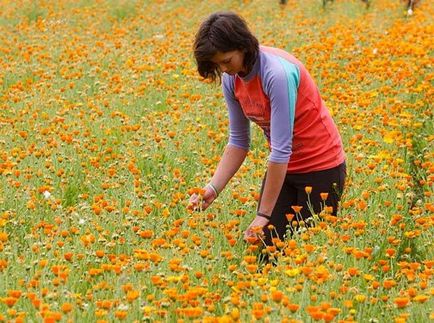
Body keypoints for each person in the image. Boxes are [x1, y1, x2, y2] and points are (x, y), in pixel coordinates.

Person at [189, 11, 346, 250]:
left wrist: (263, 214)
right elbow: (239, 141)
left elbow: (282, 150)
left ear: (242, 46)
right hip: (284, 170)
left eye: (227, 60)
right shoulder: (232, 79)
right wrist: (212, 189)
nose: (224, 69)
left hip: (321, 168)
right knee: (264, 251)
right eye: (217, 64)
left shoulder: (276, 74)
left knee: (309, 252)